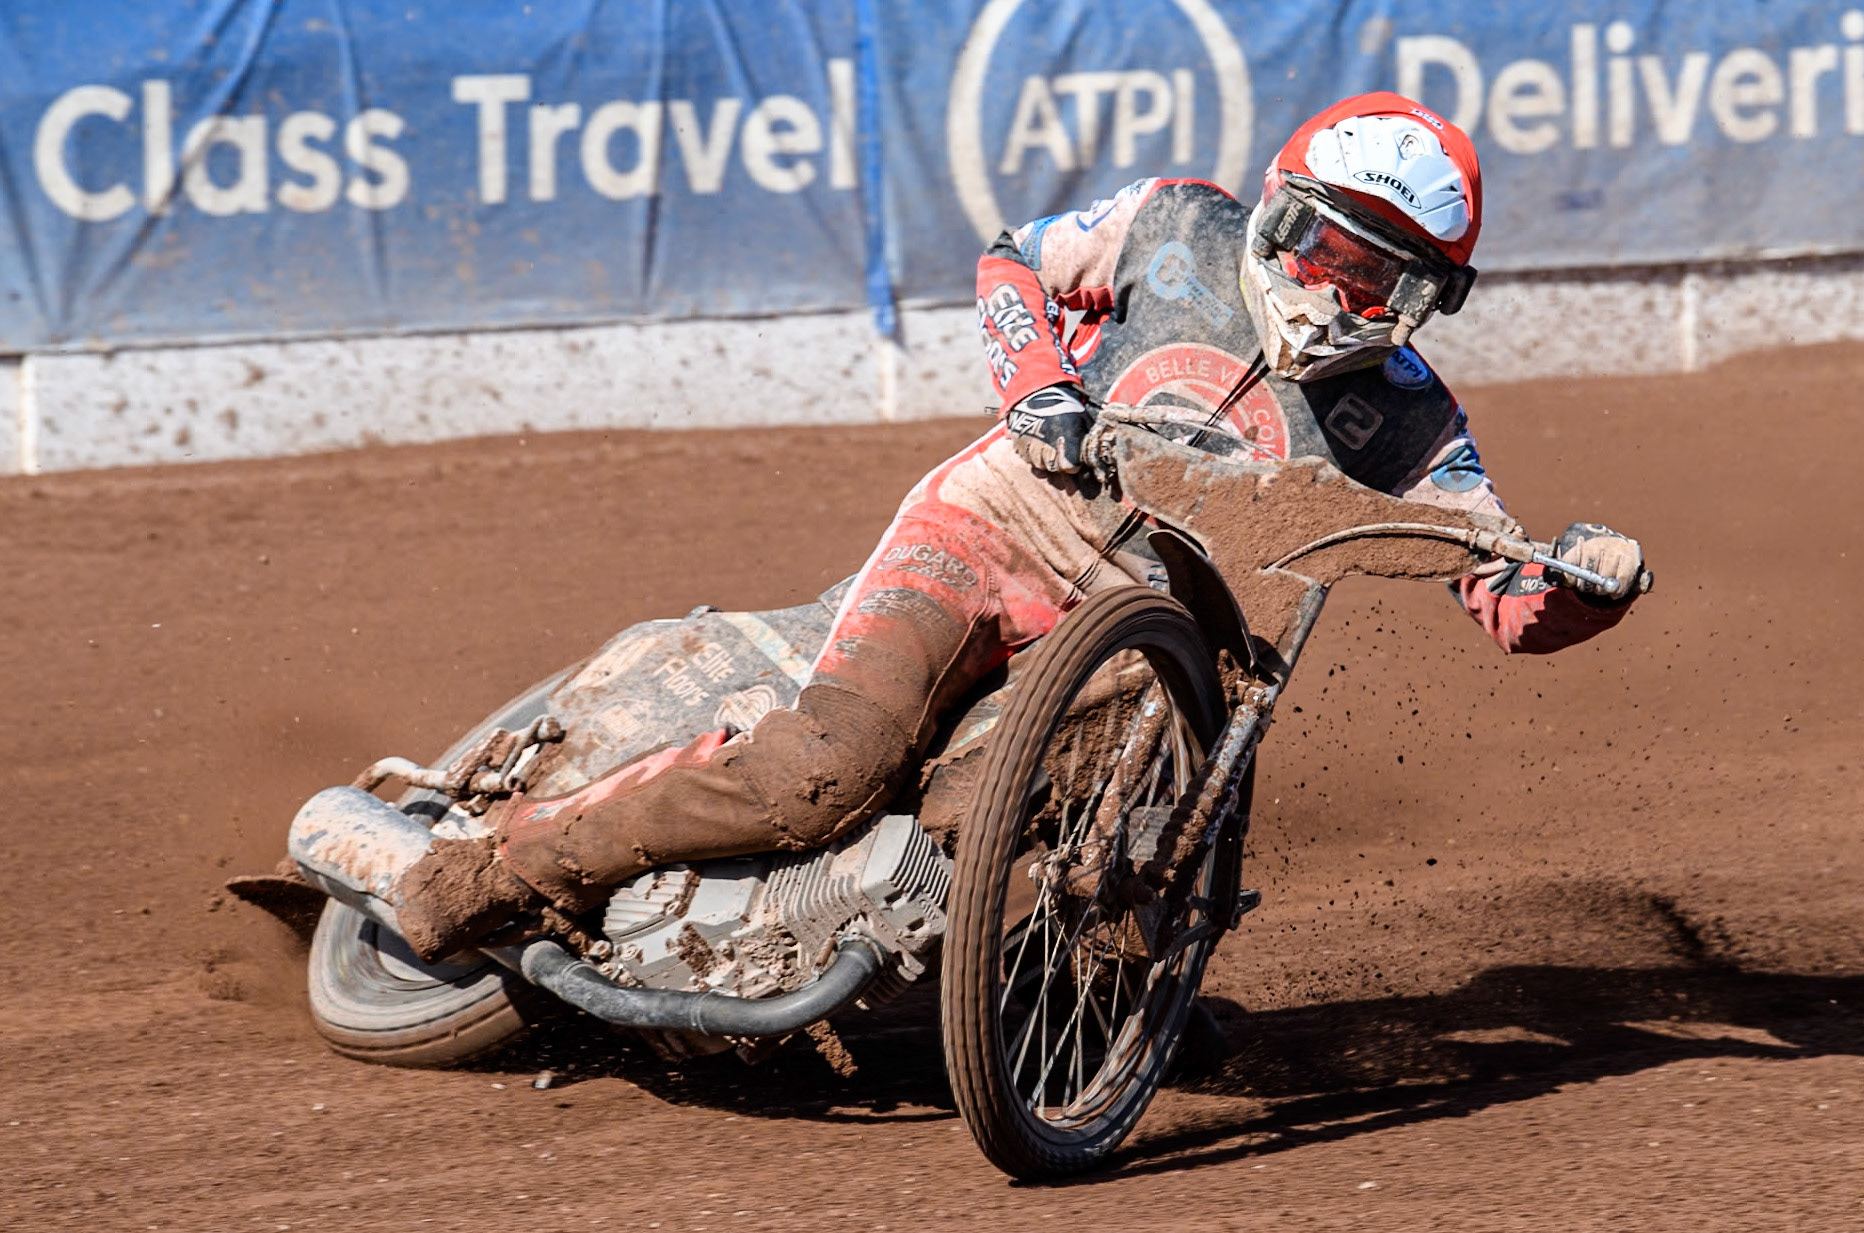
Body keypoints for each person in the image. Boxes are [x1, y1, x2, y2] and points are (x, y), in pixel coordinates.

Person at [387, 92, 1647, 961]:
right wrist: (1037, 386)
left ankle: (1111, 989)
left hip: (1161, 644)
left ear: (1430, 299)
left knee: (1030, 850)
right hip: (997, 525)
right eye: (1320, 245)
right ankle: (502, 871)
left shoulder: (1412, 422)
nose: (1335, 288)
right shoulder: (1173, 227)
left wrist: (1582, 586)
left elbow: (1499, 593)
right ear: (1273, 213)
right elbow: (1012, 259)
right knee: (815, 777)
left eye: (1380, 278)